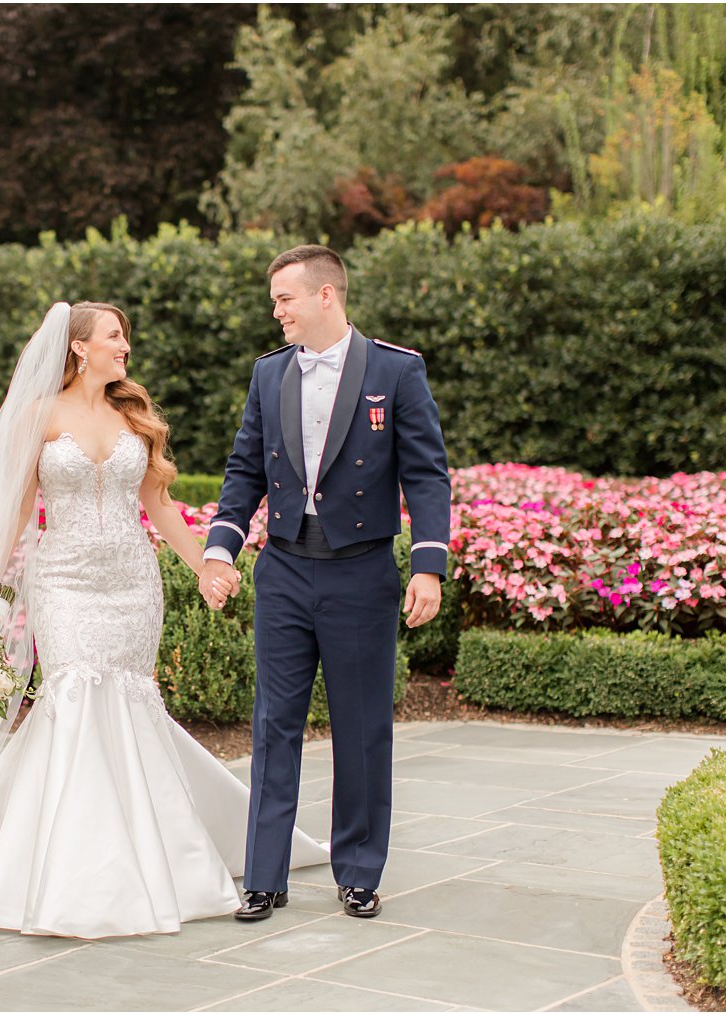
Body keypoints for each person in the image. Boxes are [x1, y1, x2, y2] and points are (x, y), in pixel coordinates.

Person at [0, 301, 326, 938]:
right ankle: (74, 870)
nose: (126, 348)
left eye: (125, 337)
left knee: (130, 701)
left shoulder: (132, 415)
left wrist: (205, 567)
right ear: (79, 347)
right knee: (75, 694)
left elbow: (160, 506)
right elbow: (13, 512)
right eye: (115, 337)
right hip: (62, 581)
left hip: (132, 583)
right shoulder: (38, 415)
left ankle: (154, 850)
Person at [199, 245, 451, 922]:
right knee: (273, 722)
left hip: (362, 571)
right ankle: (264, 873)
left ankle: (360, 869)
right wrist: (220, 549)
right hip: (282, 567)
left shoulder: (397, 370)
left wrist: (427, 563)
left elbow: (427, 473)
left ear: (325, 297)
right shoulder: (269, 374)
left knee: (361, 726)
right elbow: (243, 468)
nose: (275, 310)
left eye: (284, 297)